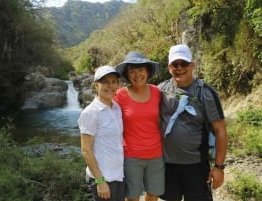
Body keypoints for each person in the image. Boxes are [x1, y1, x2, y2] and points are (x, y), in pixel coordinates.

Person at [158, 44, 228, 201]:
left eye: (183, 64)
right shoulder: (161, 91)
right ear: (169, 68)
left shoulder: (205, 93)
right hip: (167, 166)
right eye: (175, 64)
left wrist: (219, 167)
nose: (179, 68)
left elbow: (220, 131)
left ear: (192, 65)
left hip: (196, 166)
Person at [114, 51, 165, 201]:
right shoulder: (120, 95)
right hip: (131, 156)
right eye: (132, 71)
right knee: (132, 197)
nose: (137, 75)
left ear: (147, 72)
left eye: (141, 70)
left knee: (153, 195)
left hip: (156, 154)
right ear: (127, 74)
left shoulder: (157, 92)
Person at [78, 65, 125, 201]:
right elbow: (86, 150)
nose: (110, 86)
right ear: (95, 85)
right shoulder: (91, 112)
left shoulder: (116, 108)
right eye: (105, 82)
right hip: (103, 179)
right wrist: (100, 181)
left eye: (113, 81)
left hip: (118, 175)